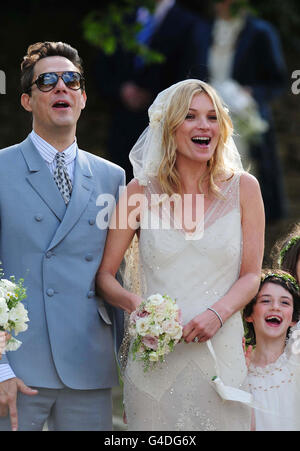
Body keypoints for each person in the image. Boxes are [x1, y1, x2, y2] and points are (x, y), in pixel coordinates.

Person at [96, 78, 265, 430]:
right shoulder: (138, 192)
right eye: (190, 116)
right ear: (170, 128)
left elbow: (251, 275)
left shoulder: (245, 189)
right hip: (155, 364)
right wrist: (138, 308)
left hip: (222, 359)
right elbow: (105, 277)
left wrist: (217, 315)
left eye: (212, 117)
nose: (204, 125)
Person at [0, 41, 125, 431]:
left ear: (83, 98)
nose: (61, 88)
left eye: (72, 80)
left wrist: (130, 365)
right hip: (17, 368)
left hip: (88, 366)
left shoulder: (113, 177)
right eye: (47, 81)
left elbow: (117, 277)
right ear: (26, 100)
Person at [193, 0, 288, 224]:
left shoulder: (260, 32)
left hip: (244, 116)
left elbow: (277, 80)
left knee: (246, 172)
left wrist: (250, 93)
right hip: (206, 114)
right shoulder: (202, 31)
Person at [94, 0, 204, 181]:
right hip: (123, 125)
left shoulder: (191, 23)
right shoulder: (122, 19)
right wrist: (121, 90)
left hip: (167, 130)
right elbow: (103, 67)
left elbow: (192, 76)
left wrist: (154, 95)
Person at [243, 270, 300, 431]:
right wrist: (241, 379)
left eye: (285, 303)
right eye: (266, 301)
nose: (275, 307)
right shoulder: (240, 368)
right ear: (249, 314)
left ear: (293, 319)